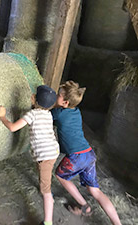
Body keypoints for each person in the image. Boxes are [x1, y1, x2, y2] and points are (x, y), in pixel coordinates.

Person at [51, 81, 121, 225]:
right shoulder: (76, 111)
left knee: (60, 175)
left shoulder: (58, 113)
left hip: (76, 157)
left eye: (59, 95)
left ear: (65, 102)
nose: (56, 96)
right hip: (88, 154)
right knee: (95, 191)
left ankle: (85, 206)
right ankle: (117, 223)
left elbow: (45, 114)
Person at [0, 85, 59, 225]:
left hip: (45, 155)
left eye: (34, 94)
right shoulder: (48, 114)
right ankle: (47, 190)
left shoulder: (31, 115)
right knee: (44, 172)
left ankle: (48, 220)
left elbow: (13, 127)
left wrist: (2, 117)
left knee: (45, 190)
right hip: (53, 151)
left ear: (34, 99)